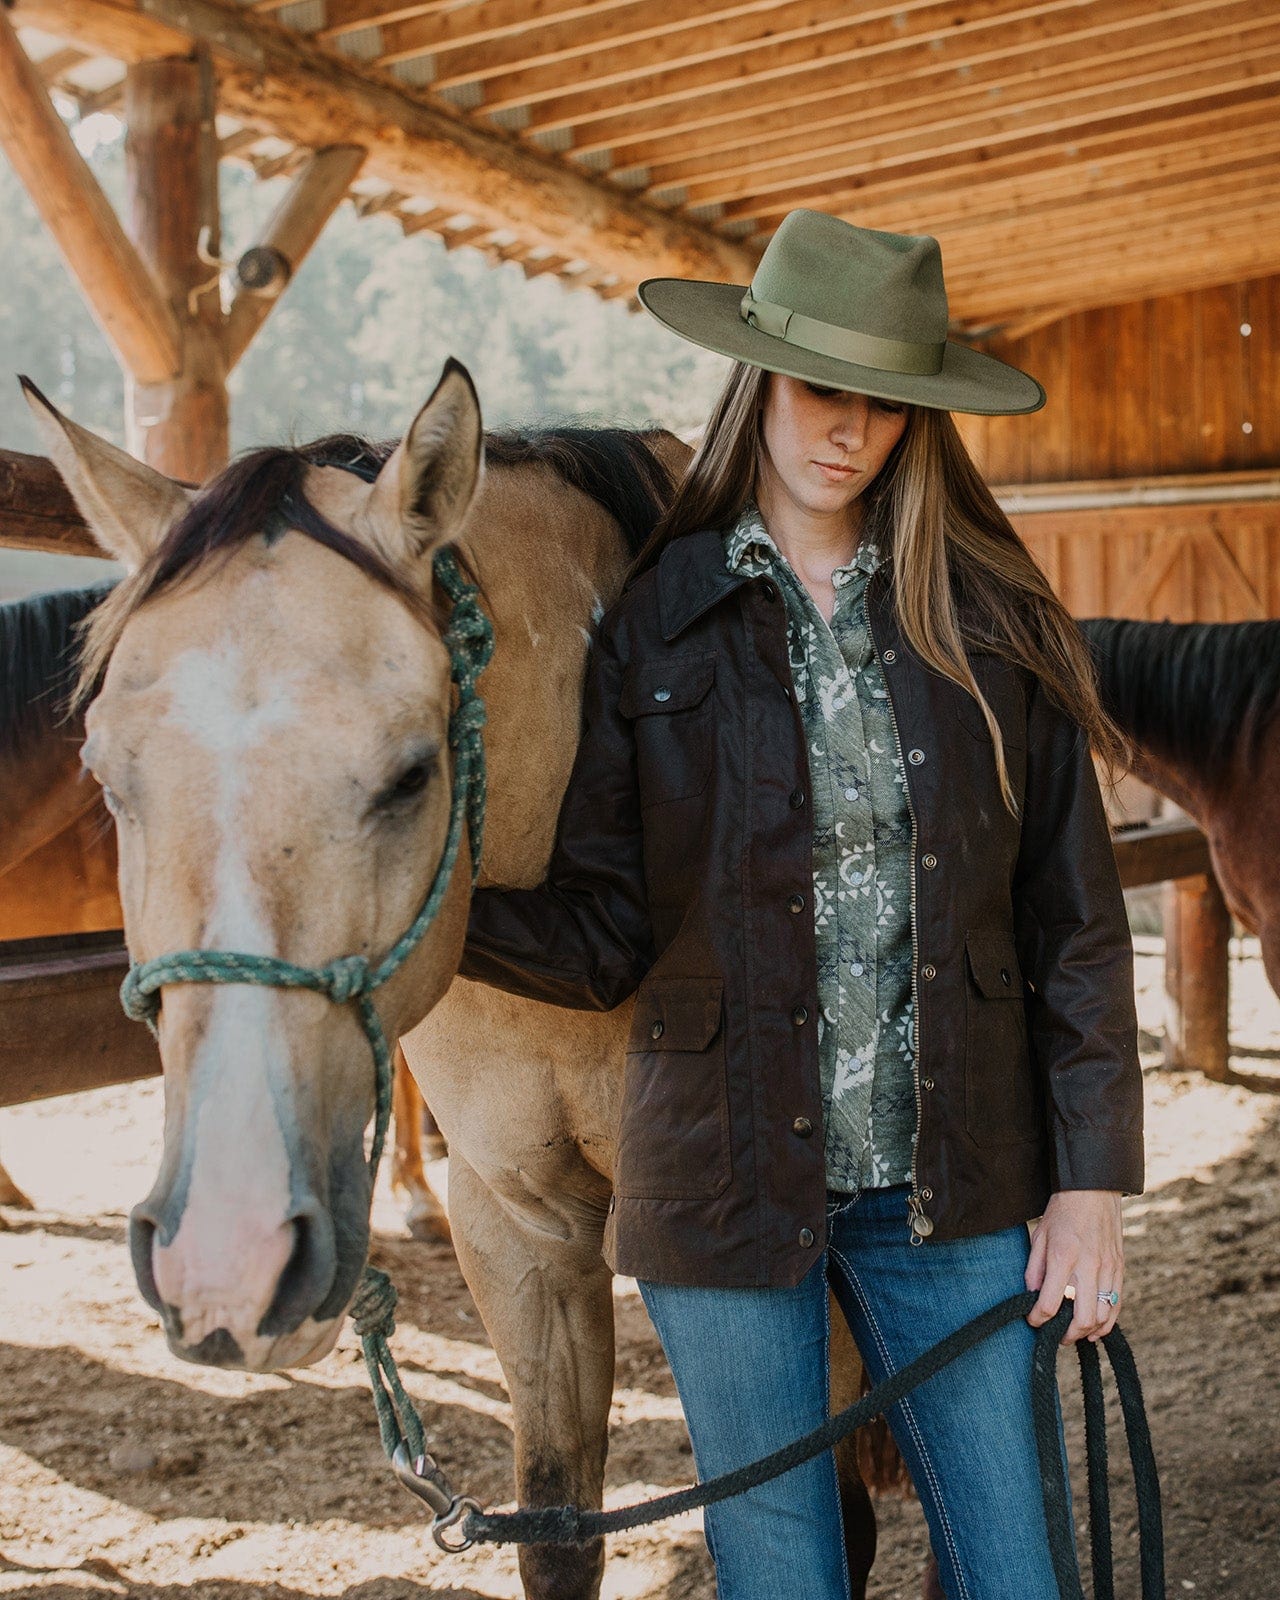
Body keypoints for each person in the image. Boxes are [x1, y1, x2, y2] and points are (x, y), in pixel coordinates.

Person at [459, 209, 1144, 1600]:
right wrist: (421, 916)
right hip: (720, 1189)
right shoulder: (657, 621)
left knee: (1016, 1568)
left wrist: (1090, 1188)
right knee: (780, 1570)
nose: (852, 431)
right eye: (827, 389)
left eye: (890, 405)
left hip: (954, 1188)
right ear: (760, 379)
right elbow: (601, 938)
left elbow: (1073, 919)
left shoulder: (992, 614)